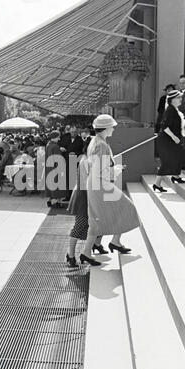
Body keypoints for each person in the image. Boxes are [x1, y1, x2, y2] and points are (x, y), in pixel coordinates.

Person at [80, 114, 140, 265]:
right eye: (112, 126)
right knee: (127, 208)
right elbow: (101, 170)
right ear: (106, 128)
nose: (114, 128)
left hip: (96, 184)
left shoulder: (96, 141)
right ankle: (113, 242)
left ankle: (92, 250)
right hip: (100, 184)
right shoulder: (102, 145)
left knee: (97, 219)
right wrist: (117, 169)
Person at [67, 138, 107, 267]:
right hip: (84, 197)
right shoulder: (86, 161)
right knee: (80, 225)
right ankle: (70, 255)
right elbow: (89, 183)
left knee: (92, 225)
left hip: (88, 196)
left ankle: (90, 249)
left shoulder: (90, 160)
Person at [153, 90, 185, 192]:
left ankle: (176, 176)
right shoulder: (170, 110)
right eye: (179, 98)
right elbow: (165, 126)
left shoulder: (174, 109)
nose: (181, 99)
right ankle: (156, 184)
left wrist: (183, 127)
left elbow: (173, 124)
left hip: (170, 140)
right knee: (167, 162)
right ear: (173, 100)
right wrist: (174, 137)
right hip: (166, 141)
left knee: (179, 156)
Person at [45, 130, 66, 208]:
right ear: (54, 137)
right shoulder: (56, 146)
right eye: (58, 137)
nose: (59, 139)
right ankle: (57, 202)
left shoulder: (48, 145)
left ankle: (49, 200)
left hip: (49, 168)